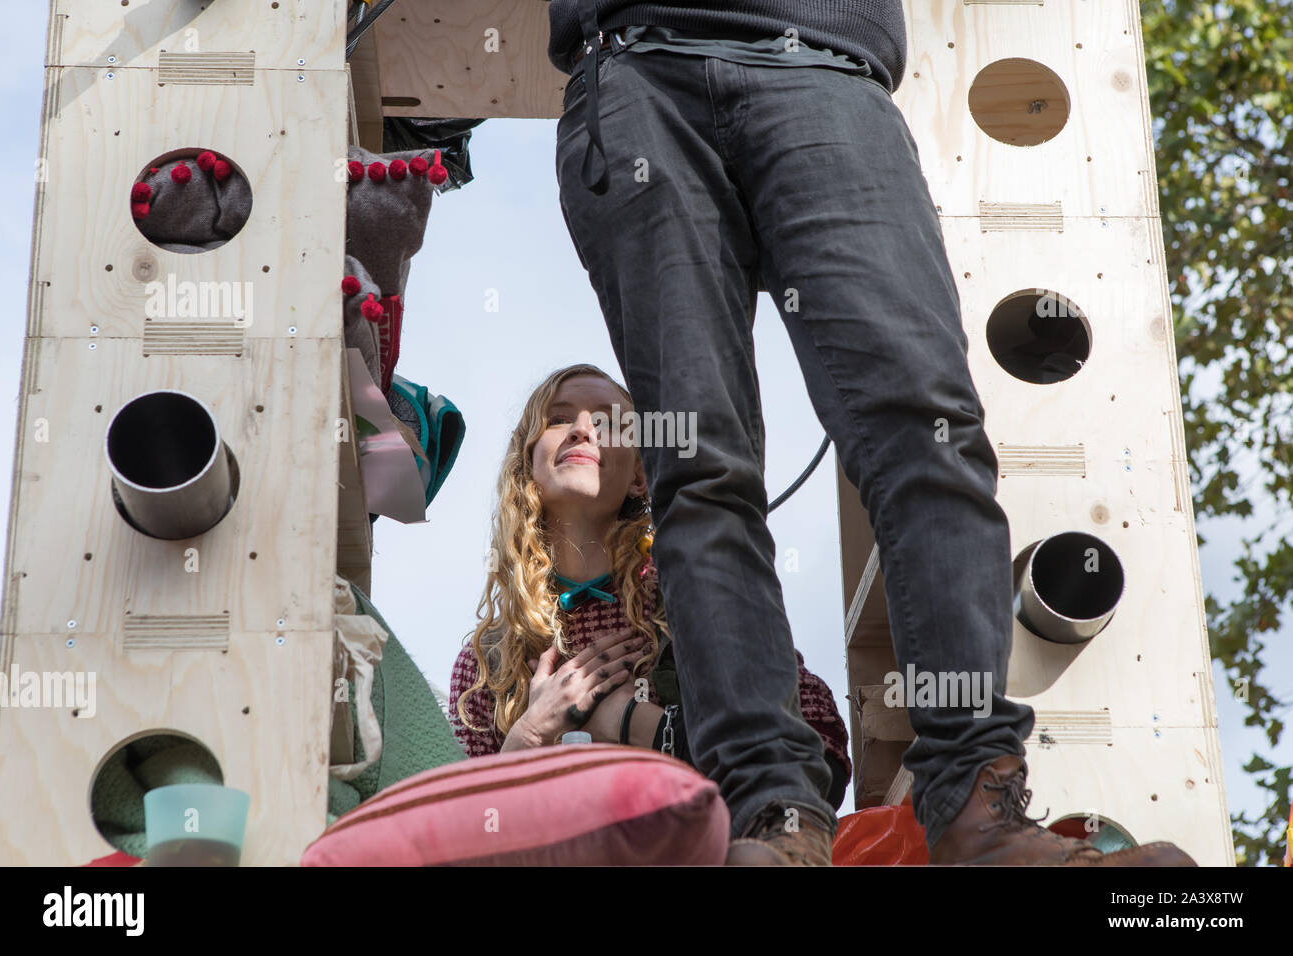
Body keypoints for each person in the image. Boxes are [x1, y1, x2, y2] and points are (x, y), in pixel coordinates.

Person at [549, 2, 1196, 866]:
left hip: (825, 64)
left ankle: (977, 807)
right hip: (634, 67)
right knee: (700, 472)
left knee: (928, 431)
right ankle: (773, 817)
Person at [448, 364, 852, 816]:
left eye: (607, 423)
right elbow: (455, 833)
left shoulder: (699, 605)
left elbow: (819, 748)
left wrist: (635, 725)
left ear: (640, 476)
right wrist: (529, 735)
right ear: (528, 464)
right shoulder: (487, 662)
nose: (582, 430)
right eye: (559, 419)